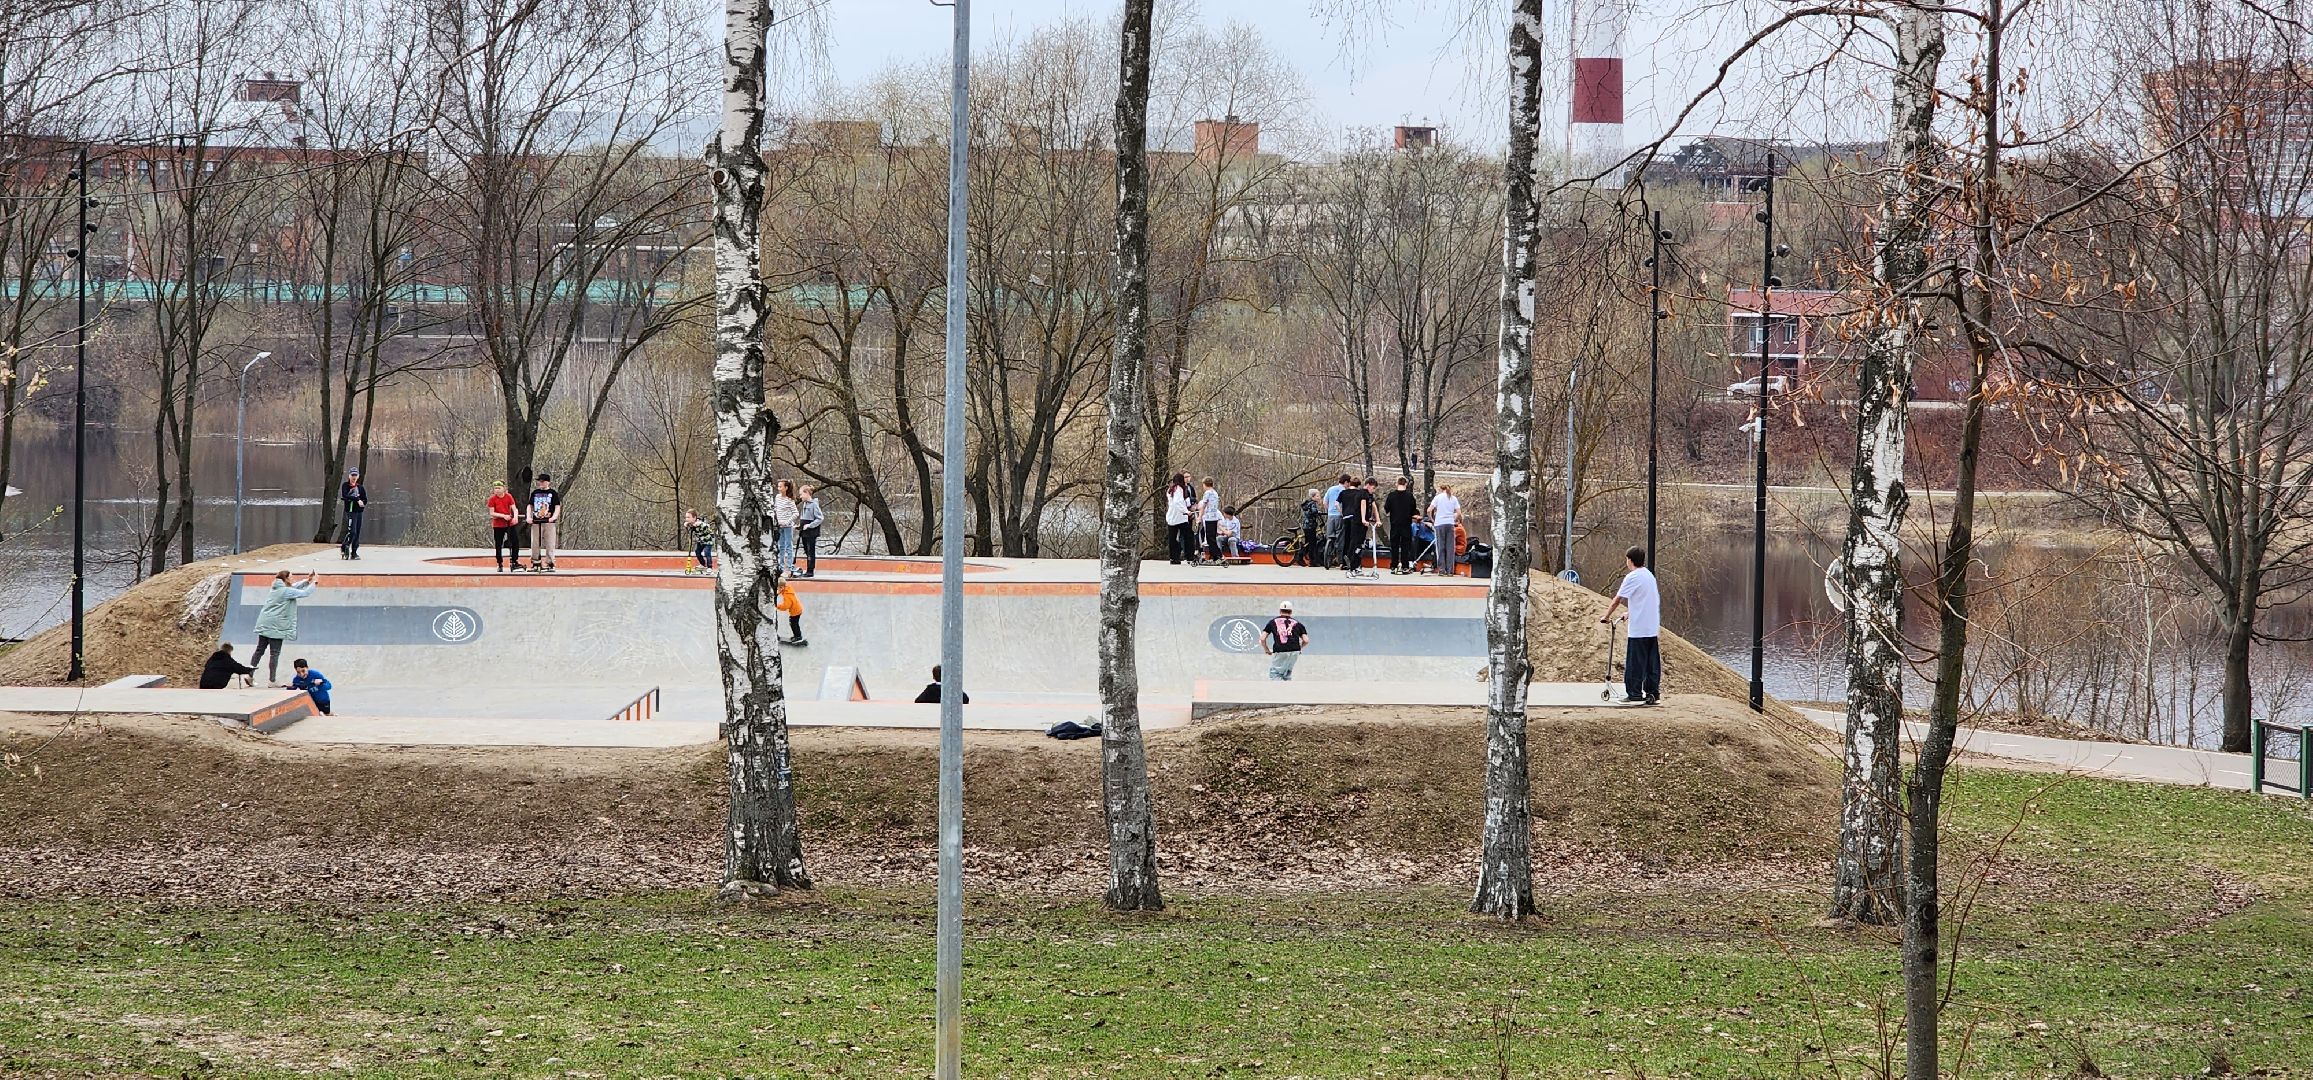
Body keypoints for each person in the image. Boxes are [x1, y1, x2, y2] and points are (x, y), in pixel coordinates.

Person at [1600, 545, 1663, 706]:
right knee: (1651, 663)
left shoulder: (1632, 577)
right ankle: (1652, 693)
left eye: (1626, 559)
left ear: (1630, 560)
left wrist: (1606, 616)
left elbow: (1617, 599)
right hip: (1651, 627)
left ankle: (1634, 694)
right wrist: (1630, 613)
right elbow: (1646, 600)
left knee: (1635, 663)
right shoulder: (1649, 575)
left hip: (1639, 629)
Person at [251, 568, 317, 686]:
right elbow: (305, 593)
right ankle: (272, 681)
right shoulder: (286, 591)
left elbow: (294, 587)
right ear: (286, 579)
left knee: (259, 650)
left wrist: (308, 580)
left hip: (265, 623)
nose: (293, 579)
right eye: (291, 577)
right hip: (276, 626)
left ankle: (249, 674)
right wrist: (315, 583)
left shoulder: (276, 588)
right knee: (274, 653)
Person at [1260, 600, 1310, 681]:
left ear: (1280, 611)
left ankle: (1278, 689)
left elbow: (1262, 638)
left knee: (1275, 674)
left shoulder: (1272, 622)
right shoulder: (1298, 624)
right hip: (1295, 651)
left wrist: (1267, 650)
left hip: (1280, 650)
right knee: (1287, 674)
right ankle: (1287, 688)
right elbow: (1306, 640)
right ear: (1291, 612)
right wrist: (1300, 648)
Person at [1336, 476, 1377, 573]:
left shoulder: (1343, 492)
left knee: (1347, 539)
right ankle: (1354, 561)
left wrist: (1342, 513)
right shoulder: (1360, 493)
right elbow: (1364, 505)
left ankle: (1345, 560)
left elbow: (1336, 504)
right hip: (1356, 517)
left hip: (1346, 517)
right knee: (1357, 541)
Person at [527, 473, 562, 572]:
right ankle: (535, 562)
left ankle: (550, 563)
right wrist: (528, 516)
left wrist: (554, 517)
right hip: (536, 521)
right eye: (539, 481)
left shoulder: (553, 493)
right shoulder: (535, 493)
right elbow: (530, 506)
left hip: (549, 522)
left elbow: (557, 506)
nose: (540, 483)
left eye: (542, 481)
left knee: (550, 543)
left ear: (547, 482)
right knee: (535, 543)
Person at [1384, 476, 1418, 574]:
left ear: (1397, 483)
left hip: (1394, 523)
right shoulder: (1410, 496)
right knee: (1405, 546)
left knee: (1394, 546)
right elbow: (1413, 510)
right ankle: (1405, 566)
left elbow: (1386, 509)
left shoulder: (1391, 495)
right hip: (1406, 524)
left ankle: (1393, 566)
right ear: (1406, 484)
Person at [487, 480, 523, 572]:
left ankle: (514, 560)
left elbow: (514, 509)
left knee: (515, 541)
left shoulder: (508, 496)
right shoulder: (492, 499)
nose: (497, 490)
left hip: (509, 523)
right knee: (498, 544)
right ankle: (499, 562)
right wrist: (503, 516)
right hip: (498, 524)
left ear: (504, 488)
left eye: (499, 488)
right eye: (495, 488)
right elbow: (492, 513)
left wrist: (515, 517)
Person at [1427, 483, 1462, 576]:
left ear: (1440, 489)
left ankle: (1442, 570)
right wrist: (1453, 519)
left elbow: (1429, 510)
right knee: (1450, 548)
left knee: (1440, 547)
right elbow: (1459, 513)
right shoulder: (1453, 498)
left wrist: (1432, 519)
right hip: (1450, 524)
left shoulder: (1438, 498)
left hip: (1439, 524)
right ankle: (1450, 571)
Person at [1163, 473, 1196, 564]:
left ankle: (1173, 557)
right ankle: (1190, 556)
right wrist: (1186, 511)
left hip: (1171, 517)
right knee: (1188, 536)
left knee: (1172, 538)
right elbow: (1178, 502)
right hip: (1180, 517)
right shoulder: (1179, 489)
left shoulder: (1170, 489)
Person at [338, 467, 369, 560]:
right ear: (349, 476)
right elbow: (345, 496)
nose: (354, 477)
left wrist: (362, 502)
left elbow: (365, 499)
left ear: (358, 476)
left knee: (357, 532)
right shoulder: (345, 486)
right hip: (351, 512)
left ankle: (354, 552)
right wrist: (357, 499)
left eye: (355, 475)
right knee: (352, 531)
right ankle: (345, 546)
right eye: (352, 475)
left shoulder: (360, 488)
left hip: (358, 512)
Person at [1322, 473, 1350, 569]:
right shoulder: (1344, 491)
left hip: (1330, 516)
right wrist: (1342, 513)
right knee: (1340, 538)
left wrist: (1329, 510)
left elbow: (1324, 502)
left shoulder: (1331, 489)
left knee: (1330, 536)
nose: (1349, 485)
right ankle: (1340, 561)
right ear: (1346, 482)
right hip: (1339, 516)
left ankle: (1328, 555)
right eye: (1348, 483)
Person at [772, 479, 800, 576]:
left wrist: (787, 521)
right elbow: (775, 509)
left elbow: (796, 513)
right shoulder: (777, 497)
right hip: (779, 526)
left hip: (787, 527)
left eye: (781, 486)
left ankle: (790, 566)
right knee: (781, 546)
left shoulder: (789, 500)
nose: (779, 488)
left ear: (786, 488)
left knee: (788, 546)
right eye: (778, 486)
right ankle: (780, 567)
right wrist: (776, 520)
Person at [797, 484, 824, 577]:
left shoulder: (814, 504)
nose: (800, 496)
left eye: (801, 494)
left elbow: (820, 518)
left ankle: (810, 570)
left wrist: (810, 525)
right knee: (806, 550)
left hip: (811, 532)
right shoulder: (804, 504)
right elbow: (804, 517)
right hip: (804, 531)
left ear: (807, 493)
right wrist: (800, 526)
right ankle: (808, 568)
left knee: (810, 550)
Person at [1197, 477, 1223, 561]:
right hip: (1215, 517)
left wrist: (1199, 517)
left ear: (1205, 484)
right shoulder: (1215, 493)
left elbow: (1203, 506)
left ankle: (1218, 555)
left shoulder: (1207, 493)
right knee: (1212, 537)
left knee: (1209, 538)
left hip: (1209, 517)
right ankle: (1214, 556)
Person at [1298, 488, 1325, 567]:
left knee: (1308, 543)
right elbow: (1314, 512)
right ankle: (1310, 560)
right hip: (1311, 525)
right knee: (1312, 544)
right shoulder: (1313, 503)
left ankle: (1302, 557)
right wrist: (1318, 512)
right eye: (1317, 496)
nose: (1319, 497)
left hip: (1305, 525)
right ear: (1313, 497)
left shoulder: (1307, 503)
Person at [776, 580, 806, 646]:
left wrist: (777, 606)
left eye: (779, 588)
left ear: (782, 587)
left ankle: (798, 637)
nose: (778, 589)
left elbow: (785, 606)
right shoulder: (787, 589)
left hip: (795, 612)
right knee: (794, 624)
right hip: (797, 609)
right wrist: (777, 593)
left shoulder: (787, 596)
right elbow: (782, 590)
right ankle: (797, 635)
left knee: (794, 624)